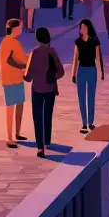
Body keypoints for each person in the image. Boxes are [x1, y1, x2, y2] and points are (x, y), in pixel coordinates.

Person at [23, 27, 64, 158]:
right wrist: (52, 78)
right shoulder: (52, 52)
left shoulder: (34, 53)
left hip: (37, 90)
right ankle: (47, 141)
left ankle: (40, 147)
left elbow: (28, 77)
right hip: (50, 89)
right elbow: (61, 72)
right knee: (48, 115)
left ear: (37, 39)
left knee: (38, 118)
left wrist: (22, 75)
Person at [0, 19, 28, 148]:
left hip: (16, 78)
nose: (21, 29)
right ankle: (9, 137)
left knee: (19, 104)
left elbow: (21, 58)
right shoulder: (9, 43)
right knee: (10, 107)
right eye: (20, 27)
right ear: (14, 28)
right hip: (10, 79)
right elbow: (17, 60)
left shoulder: (11, 42)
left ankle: (17, 133)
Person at [72, 19, 104, 133]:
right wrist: (73, 74)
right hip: (81, 71)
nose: (82, 29)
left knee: (91, 97)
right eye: (81, 27)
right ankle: (84, 123)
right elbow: (75, 58)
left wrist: (101, 72)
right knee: (81, 98)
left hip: (92, 70)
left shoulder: (95, 42)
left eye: (85, 27)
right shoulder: (78, 42)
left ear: (88, 28)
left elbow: (98, 58)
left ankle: (90, 122)